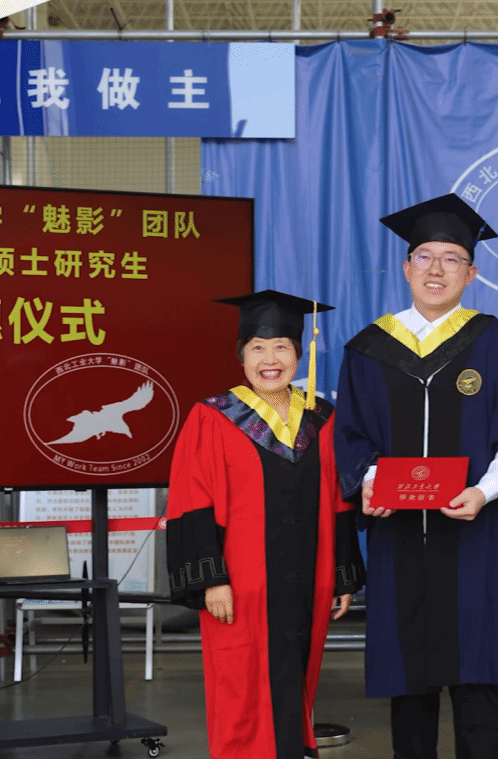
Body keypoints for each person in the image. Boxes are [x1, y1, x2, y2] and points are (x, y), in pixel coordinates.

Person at [334, 194, 498, 759]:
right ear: (406, 267)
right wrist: (371, 482)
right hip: (399, 538)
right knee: (409, 684)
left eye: (452, 259)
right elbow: (351, 436)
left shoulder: (495, 340)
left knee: (479, 679)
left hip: (474, 535)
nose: (436, 268)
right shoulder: (368, 348)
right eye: (425, 256)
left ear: (470, 274)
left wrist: (483, 492)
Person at [166, 290, 366, 759]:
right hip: (240, 583)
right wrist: (211, 579)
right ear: (242, 356)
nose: (270, 359)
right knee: (240, 680)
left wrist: (341, 575)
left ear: (299, 354)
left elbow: (338, 500)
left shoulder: (321, 417)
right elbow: (192, 501)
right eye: (258, 348)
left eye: (282, 347)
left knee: (297, 672)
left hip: (307, 578)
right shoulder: (213, 416)